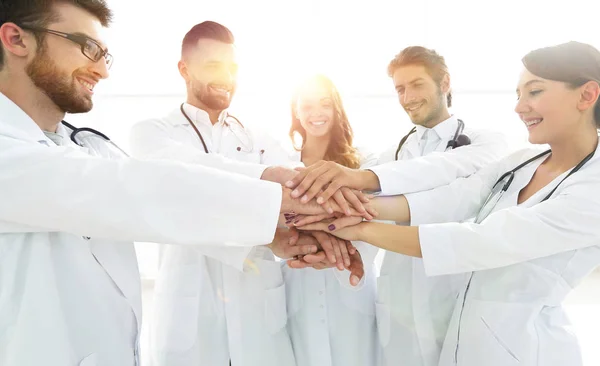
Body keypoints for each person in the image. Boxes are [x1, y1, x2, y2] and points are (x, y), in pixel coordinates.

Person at [0, 3, 361, 365]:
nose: (101, 70)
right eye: (88, 48)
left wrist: (278, 236)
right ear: (16, 39)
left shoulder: (87, 145)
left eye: (105, 55)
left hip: (245, 313)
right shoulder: (23, 150)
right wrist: (271, 187)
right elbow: (141, 187)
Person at [298, 41, 600, 366]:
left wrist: (359, 218)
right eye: (518, 94)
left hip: (525, 348)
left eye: (535, 92)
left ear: (586, 95)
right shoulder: (523, 161)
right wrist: (345, 215)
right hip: (461, 337)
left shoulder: (591, 188)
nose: (519, 107)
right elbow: (453, 198)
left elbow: (479, 241)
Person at [129, 22, 362, 366]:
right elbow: (185, 180)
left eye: (232, 67)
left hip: (257, 308)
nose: (226, 76)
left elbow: (297, 189)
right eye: (213, 65)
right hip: (189, 309)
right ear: (184, 69)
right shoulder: (151, 134)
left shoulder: (258, 137)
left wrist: (326, 238)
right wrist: (264, 183)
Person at [289, 47, 509, 366]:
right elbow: (363, 212)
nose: (408, 97)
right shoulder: (391, 154)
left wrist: (363, 179)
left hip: (455, 292)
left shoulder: (486, 142)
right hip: (399, 303)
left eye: (417, 84)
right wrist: (334, 250)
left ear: (444, 83)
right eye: (400, 89)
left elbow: (439, 171)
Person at [281, 74, 379, 366]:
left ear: (337, 109)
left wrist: (303, 218)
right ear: (296, 112)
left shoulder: (365, 162)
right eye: (307, 106)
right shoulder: (282, 164)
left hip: (349, 284)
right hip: (299, 284)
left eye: (325, 104)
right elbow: (277, 224)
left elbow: (372, 216)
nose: (316, 114)